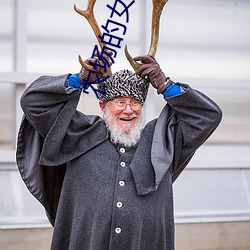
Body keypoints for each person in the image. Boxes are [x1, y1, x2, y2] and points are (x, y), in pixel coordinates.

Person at [16, 54, 222, 250]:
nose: (128, 110)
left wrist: (165, 86)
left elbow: (208, 116)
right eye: (120, 102)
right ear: (103, 105)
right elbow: (32, 102)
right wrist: (78, 80)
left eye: (135, 103)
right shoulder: (79, 132)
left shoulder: (162, 139)